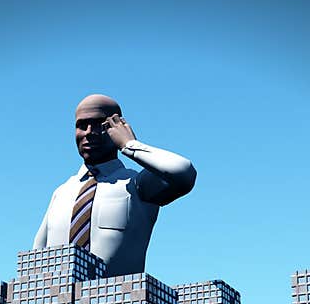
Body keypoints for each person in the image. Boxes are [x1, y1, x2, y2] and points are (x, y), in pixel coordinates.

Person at [33, 94, 196, 276]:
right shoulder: (61, 193)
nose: (89, 132)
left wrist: (130, 144)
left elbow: (184, 173)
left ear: (118, 127)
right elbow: (37, 256)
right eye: (82, 125)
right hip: (57, 302)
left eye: (99, 125)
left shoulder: (137, 185)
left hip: (119, 301)